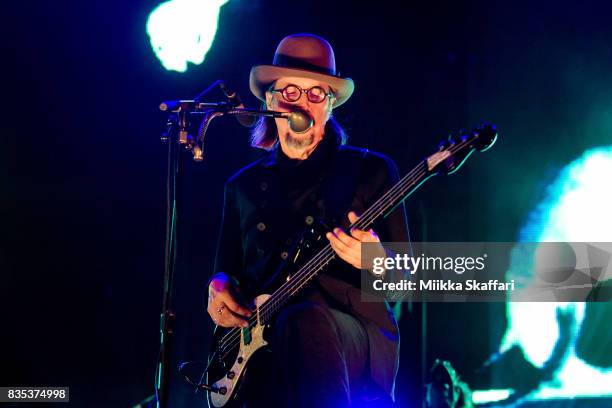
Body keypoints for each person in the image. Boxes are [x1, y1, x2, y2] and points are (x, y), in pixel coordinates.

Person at [206, 33, 410, 407]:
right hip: (263, 349)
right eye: (291, 93)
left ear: (329, 107)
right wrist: (218, 287)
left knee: (304, 320)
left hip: (352, 338)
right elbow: (226, 272)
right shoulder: (243, 187)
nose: (304, 104)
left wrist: (376, 262)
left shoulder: (370, 171)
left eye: (316, 94)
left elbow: (407, 285)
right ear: (270, 101)